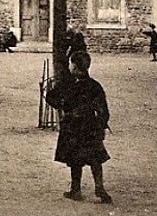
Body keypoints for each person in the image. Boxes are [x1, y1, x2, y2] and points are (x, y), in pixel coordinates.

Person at [44, 51, 113, 204]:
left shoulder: (68, 84)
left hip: (72, 126)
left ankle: (76, 189)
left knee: (75, 158)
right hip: (90, 127)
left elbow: (50, 96)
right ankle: (99, 188)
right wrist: (100, 126)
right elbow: (104, 110)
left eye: (70, 63)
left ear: (74, 66)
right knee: (95, 159)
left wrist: (62, 105)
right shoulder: (95, 86)